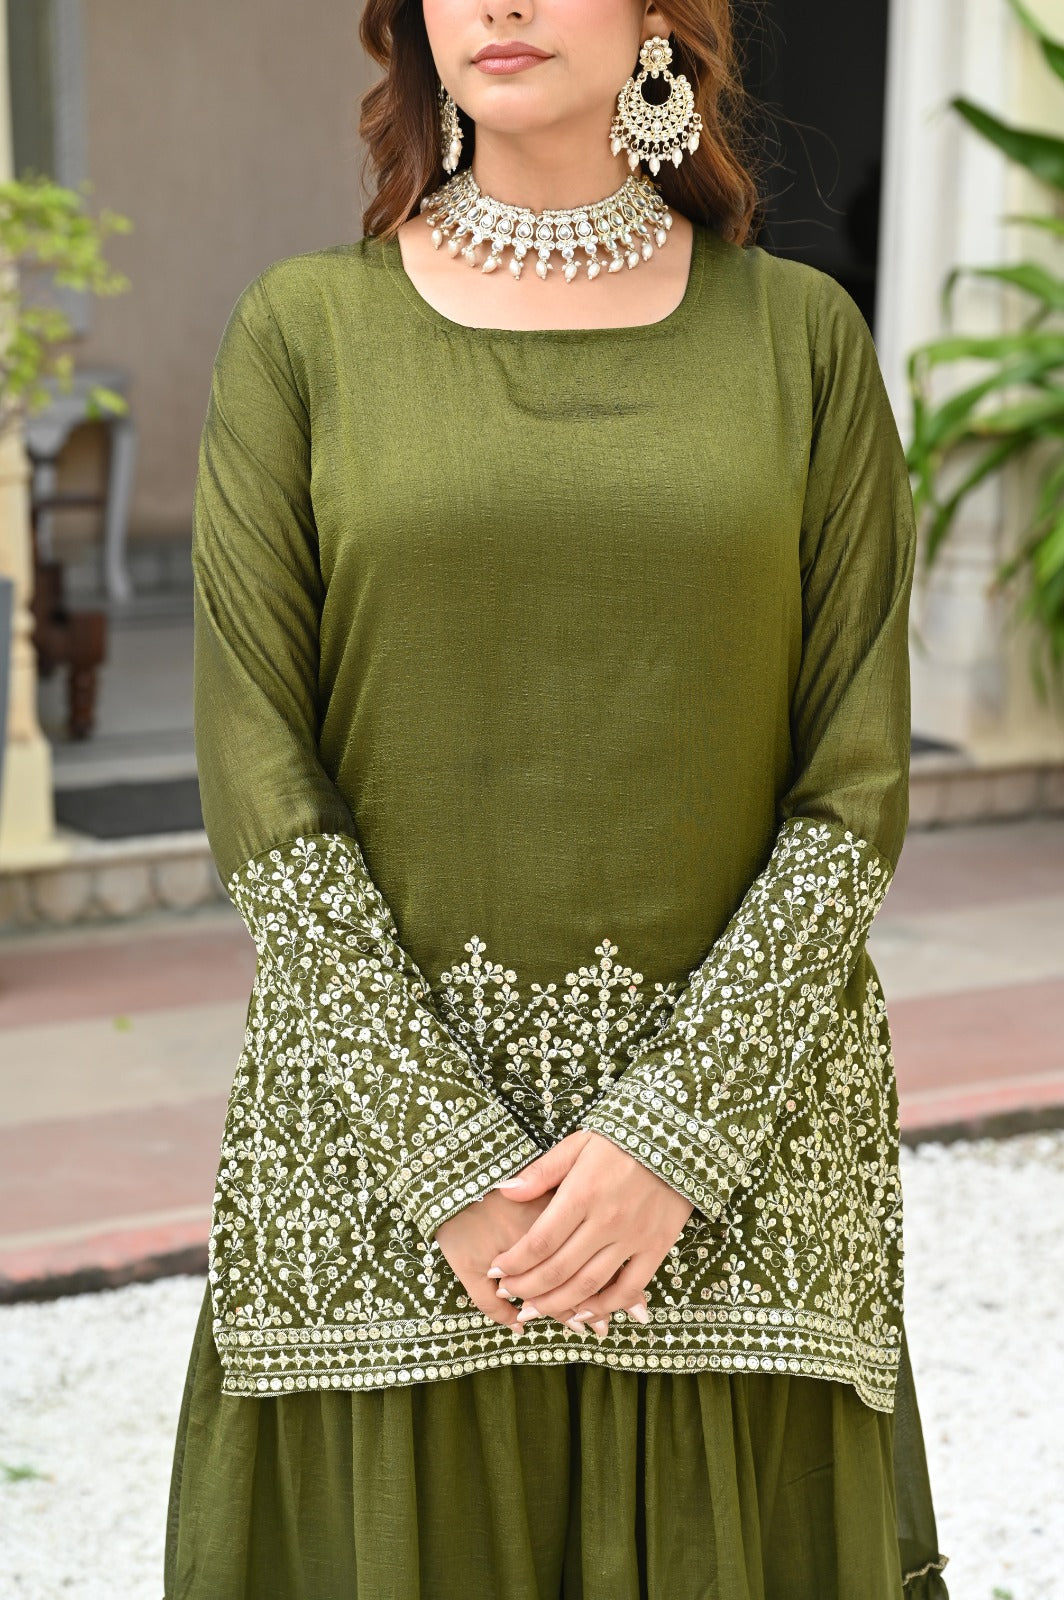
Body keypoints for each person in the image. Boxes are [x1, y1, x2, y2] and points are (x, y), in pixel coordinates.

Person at [163, 0, 952, 1594]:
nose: (501, 4)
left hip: (741, 1179)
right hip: (385, 1181)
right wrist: (446, 1160)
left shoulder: (800, 341)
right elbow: (260, 773)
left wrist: (671, 1142)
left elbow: (853, 782)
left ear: (663, 20)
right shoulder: (304, 334)